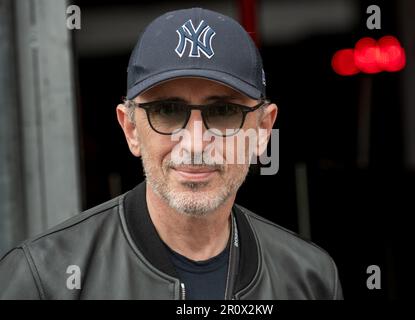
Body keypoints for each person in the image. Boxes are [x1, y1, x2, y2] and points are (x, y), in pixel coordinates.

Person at [0, 7, 343, 300]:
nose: (195, 143)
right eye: (167, 110)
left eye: (223, 112)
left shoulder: (310, 279)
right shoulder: (43, 279)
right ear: (131, 129)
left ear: (263, 130)